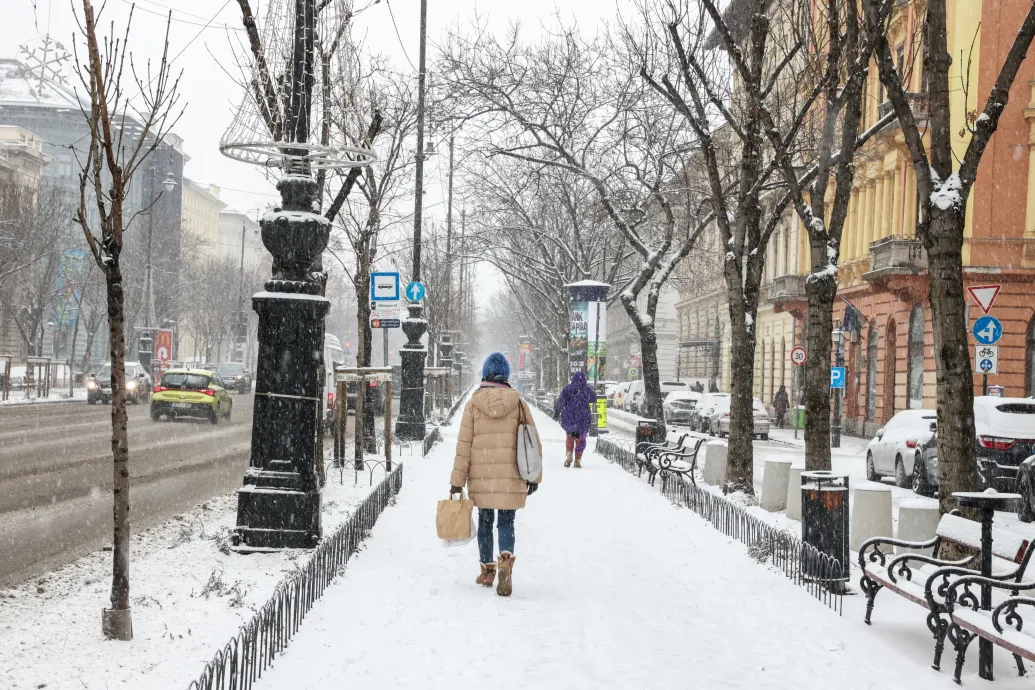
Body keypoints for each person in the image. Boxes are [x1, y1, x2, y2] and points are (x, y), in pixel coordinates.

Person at [450, 352, 542, 597]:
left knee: (485, 521)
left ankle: (488, 570)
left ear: (486, 374)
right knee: (506, 522)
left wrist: (457, 482)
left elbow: (463, 446)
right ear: (506, 375)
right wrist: (534, 476)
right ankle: (505, 561)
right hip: (511, 476)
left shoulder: (473, 404)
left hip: (482, 477)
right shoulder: (519, 403)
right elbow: (532, 441)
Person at [554, 370, 596, 468]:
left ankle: (569, 455)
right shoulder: (587, 390)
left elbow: (561, 400)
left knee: (569, 437)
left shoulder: (568, 388)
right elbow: (594, 399)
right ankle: (577, 459)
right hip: (582, 418)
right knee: (580, 439)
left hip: (569, 417)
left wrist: (557, 412)